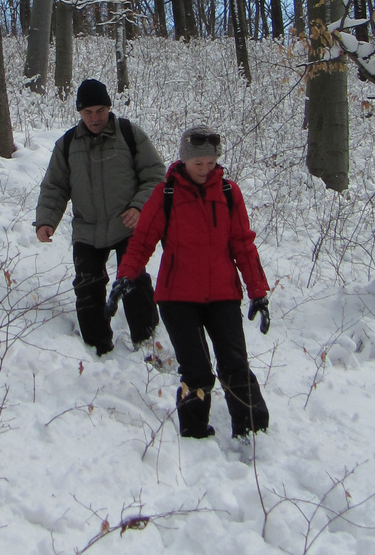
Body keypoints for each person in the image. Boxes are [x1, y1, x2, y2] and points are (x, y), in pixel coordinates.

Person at [115, 125, 270, 440]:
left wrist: (258, 292)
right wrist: (126, 276)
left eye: (211, 163)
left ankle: (254, 431)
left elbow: (243, 244)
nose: (205, 169)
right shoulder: (165, 195)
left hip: (223, 295)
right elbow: (142, 241)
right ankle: (194, 431)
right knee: (197, 371)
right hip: (177, 298)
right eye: (198, 163)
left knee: (235, 364)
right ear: (184, 160)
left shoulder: (229, 193)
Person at [35, 79, 166, 356]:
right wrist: (47, 220)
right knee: (87, 286)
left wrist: (139, 207)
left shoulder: (129, 134)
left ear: (109, 107)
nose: (94, 118)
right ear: (80, 113)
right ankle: (98, 348)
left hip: (127, 224)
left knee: (134, 282)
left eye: (100, 110)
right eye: (88, 112)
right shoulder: (68, 144)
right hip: (87, 228)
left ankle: (146, 342)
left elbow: (155, 175)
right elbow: (55, 186)